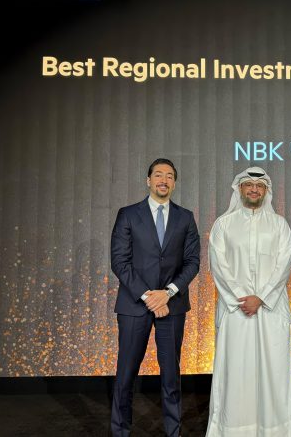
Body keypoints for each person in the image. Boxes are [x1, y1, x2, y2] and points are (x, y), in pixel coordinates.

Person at [110, 158, 200, 437]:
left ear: (174, 183)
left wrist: (168, 293)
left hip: (172, 307)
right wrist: (149, 296)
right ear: (148, 180)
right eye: (158, 175)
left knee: (171, 376)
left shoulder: (185, 217)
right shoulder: (128, 214)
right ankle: (120, 431)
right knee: (126, 375)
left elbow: (193, 262)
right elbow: (119, 261)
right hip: (134, 305)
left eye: (169, 176)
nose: (164, 180)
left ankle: (173, 432)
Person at [206, 167, 291, 436]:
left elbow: (284, 264)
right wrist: (242, 298)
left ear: (266, 191)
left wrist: (262, 298)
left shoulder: (279, 225)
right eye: (249, 185)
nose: (254, 189)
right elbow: (218, 265)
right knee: (236, 372)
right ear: (240, 189)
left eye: (260, 185)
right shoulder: (223, 224)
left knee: (274, 373)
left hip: (271, 310)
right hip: (236, 311)